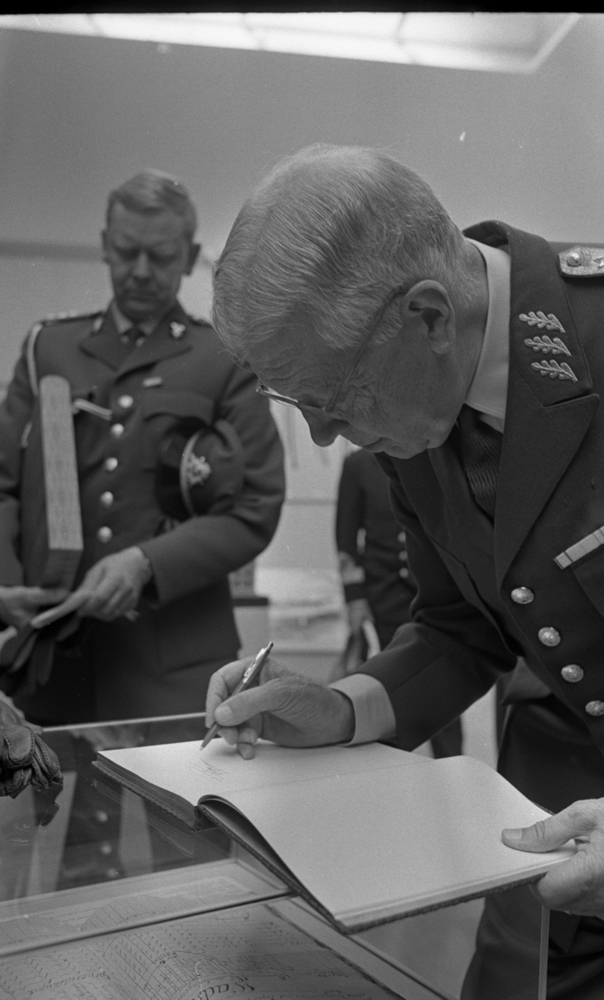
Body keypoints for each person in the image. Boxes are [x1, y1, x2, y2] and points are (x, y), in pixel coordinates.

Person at [204, 145, 604, 999]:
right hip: (549, 831)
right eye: (296, 402)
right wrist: (342, 709)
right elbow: (462, 627)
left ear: (428, 316)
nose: (322, 434)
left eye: (331, 398)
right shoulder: (417, 397)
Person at [0, 169, 285, 725]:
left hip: (172, 670)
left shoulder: (223, 358)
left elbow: (255, 504)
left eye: (160, 255)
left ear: (190, 256)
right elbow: (3, 484)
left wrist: (146, 563)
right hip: (55, 667)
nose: (140, 271)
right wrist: (6, 583)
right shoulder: (48, 349)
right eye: (127, 251)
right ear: (105, 246)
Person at [335, 447, 462, 757]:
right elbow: (346, 542)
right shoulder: (358, 465)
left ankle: (450, 764)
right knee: (394, 683)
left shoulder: (432, 452)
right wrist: (355, 599)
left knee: (446, 684)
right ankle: (395, 765)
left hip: (436, 590)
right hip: (386, 594)